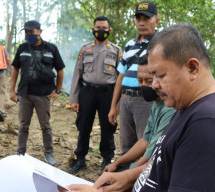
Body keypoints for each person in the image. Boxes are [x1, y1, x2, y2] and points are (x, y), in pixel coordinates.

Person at [59, 23, 215, 192]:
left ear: (192, 68)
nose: (154, 85)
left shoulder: (210, 124)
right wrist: (127, 177)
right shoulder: (188, 106)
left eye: (160, 76)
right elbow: (163, 161)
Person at [103, 54, 175, 181]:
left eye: (148, 81)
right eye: (140, 81)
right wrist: (116, 164)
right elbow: (144, 141)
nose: (143, 86)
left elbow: (149, 156)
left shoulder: (169, 109)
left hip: (155, 171)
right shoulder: (156, 104)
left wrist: (124, 177)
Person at [67, 16, 122, 174]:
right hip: (87, 92)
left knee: (108, 127)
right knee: (84, 126)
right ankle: (80, 159)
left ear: (109, 30)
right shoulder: (85, 49)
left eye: (104, 28)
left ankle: (106, 159)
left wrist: (117, 103)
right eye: (98, 28)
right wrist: (74, 99)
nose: (101, 31)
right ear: (93, 29)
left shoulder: (116, 51)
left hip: (108, 94)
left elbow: (121, 78)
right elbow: (77, 74)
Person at [10, 20, 65, 166]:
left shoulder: (51, 49)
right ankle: (20, 153)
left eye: (32, 32)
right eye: (27, 32)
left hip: (43, 94)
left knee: (45, 126)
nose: (29, 35)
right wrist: (12, 90)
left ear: (39, 32)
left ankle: (49, 154)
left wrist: (57, 90)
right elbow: (15, 68)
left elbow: (60, 69)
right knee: (23, 125)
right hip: (25, 93)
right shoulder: (22, 48)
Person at [108, 1, 160, 156]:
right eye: (138, 19)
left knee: (145, 142)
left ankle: (140, 177)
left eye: (147, 18)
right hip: (125, 99)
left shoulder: (161, 43)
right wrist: (114, 105)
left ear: (156, 21)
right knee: (126, 143)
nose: (142, 23)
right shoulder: (130, 44)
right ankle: (125, 176)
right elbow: (121, 76)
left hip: (145, 100)